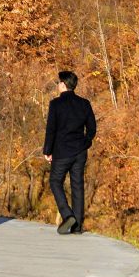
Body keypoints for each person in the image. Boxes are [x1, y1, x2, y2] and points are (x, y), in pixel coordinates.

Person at [43, 70, 96, 234]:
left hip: (62, 151)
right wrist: (86, 143)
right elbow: (92, 128)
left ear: (64, 84)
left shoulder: (56, 104)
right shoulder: (84, 103)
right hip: (80, 151)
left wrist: (47, 150)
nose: (58, 85)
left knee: (55, 181)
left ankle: (67, 215)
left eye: (59, 82)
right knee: (77, 186)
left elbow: (51, 129)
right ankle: (77, 227)